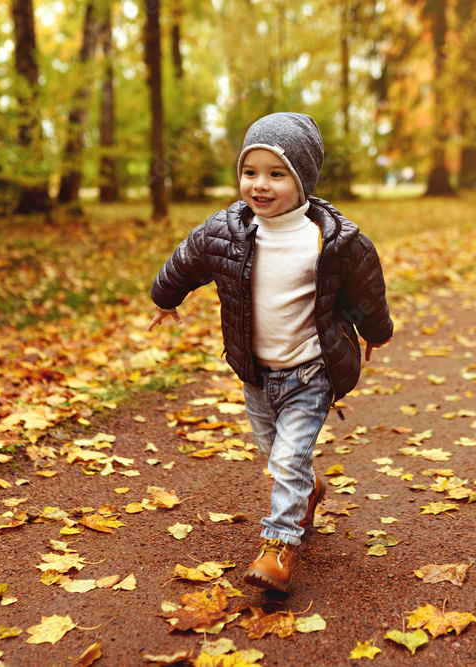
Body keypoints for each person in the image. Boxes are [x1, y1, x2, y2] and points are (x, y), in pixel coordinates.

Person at [147, 112, 393, 593]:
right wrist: (165, 297)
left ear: (302, 181)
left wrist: (376, 330)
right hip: (257, 374)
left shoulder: (332, 239)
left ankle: (279, 545)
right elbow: (187, 260)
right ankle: (309, 489)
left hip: (310, 371)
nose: (260, 185)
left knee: (285, 459)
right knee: (274, 451)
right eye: (250, 172)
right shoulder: (228, 231)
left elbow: (367, 287)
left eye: (276, 174)